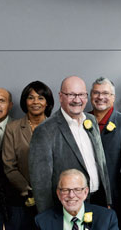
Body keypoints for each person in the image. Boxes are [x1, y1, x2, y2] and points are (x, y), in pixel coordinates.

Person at [28, 76, 111, 211]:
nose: (77, 100)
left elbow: (101, 163)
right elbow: (40, 183)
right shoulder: (45, 131)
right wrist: (48, 218)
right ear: (61, 96)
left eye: (81, 95)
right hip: (65, 207)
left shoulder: (91, 121)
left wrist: (107, 200)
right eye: (71, 95)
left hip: (98, 201)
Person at [89, 77, 121, 221]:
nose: (100, 97)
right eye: (96, 93)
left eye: (105, 93)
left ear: (113, 97)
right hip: (87, 199)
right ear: (90, 96)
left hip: (120, 201)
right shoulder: (80, 122)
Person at [1, 80, 52, 208]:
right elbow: (9, 166)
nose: (35, 102)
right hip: (24, 197)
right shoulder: (12, 128)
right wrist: (27, 190)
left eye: (41, 98)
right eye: (31, 98)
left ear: (47, 103)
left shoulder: (56, 127)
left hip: (54, 194)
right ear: (25, 101)